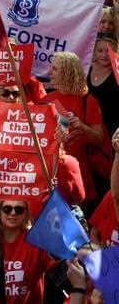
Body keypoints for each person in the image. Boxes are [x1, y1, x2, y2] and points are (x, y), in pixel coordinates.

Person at [42, 52, 109, 203]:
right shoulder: (46, 100)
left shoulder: (88, 101)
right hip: (51, 174)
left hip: (79, 175)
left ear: (67, 72)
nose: (49, 72)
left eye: (55, 69)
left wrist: (83, 127)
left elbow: (99, 138)